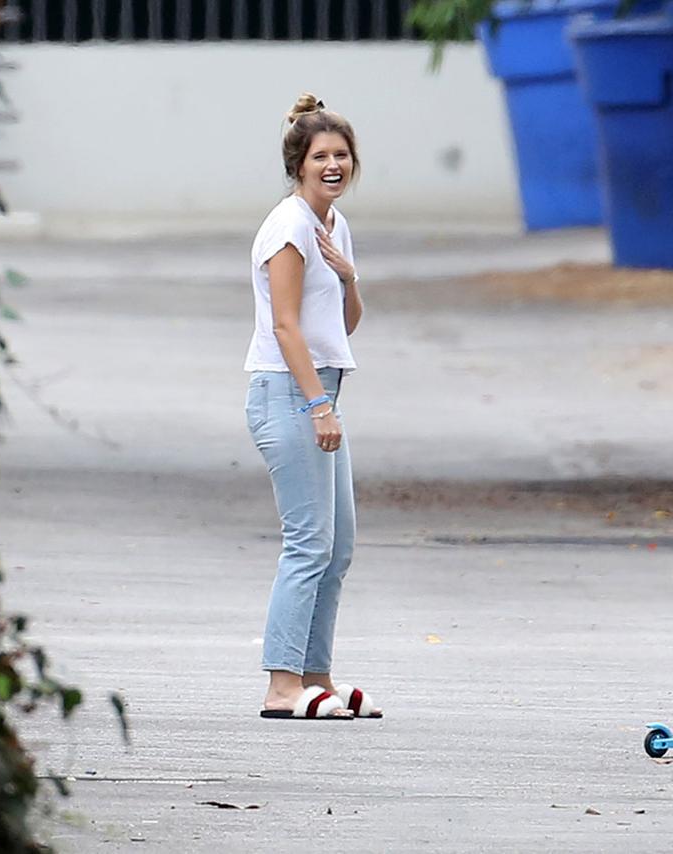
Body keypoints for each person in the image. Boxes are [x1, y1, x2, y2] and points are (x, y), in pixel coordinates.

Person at [244, 92, 380, 720]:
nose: (334, 165)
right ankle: (281, 686)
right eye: (321, 155)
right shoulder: (289, 225)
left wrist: (350, 276)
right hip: (290, 393)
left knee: (338, 545)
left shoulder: (331, 224)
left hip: (321, 390)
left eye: (342, 155)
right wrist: (319, 406)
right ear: (297, 164)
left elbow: (343, 326)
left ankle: (316, 678)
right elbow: (286, 327)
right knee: (307, 544)